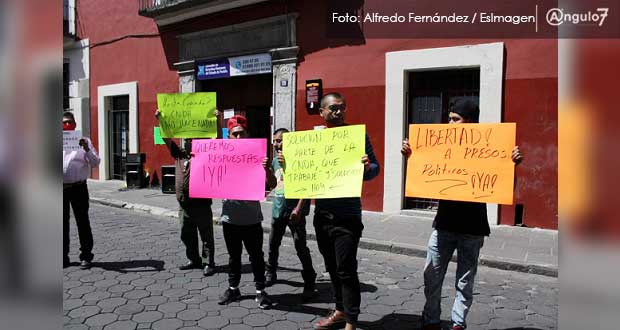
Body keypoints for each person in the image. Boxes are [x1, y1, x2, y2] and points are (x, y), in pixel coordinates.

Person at [401, 98, 523, 330]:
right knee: (431, 276)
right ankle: (431, 320)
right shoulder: (442, 146)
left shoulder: (488, 148)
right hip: (444, 224)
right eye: (449, 118)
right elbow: (424, 172)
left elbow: (505, 186)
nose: (449, 123)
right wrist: (411, 155)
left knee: (465, 281)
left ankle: (458, 323)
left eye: (455, 119)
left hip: (473, 228)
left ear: (469, 121)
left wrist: (512, 165)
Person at [286, 93, 379, 330]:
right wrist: (298, 205)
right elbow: (308, 177)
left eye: (342, 108)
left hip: (347, 216)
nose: (338, 112)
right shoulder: (315, 141)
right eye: (333, 108)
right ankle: (339, 310)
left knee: (346, 270)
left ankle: (351, 321)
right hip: (323, 216)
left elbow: (374, 170)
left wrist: (367, 167)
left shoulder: (356, 137)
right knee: (332, 268)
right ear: (322, 112)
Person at [218, 115, 277, 309]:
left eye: (241, 133)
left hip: (252, 219)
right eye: (234, 134)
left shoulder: (258, 156)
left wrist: (266, 169)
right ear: (229, 137)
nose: (237, 138)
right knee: (234, 257)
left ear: (247, 134)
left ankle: (261, 291)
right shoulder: (223, 156)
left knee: (256, 257)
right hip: (230, 218)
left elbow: (272, 184)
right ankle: (233, 289)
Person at [155, 109, 217, 276]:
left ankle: (208, 262)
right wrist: (160, 119)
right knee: (186, 234)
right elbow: (166, 138)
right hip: (184, 204)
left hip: (202, 204)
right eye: (187, 139)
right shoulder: (179, 154)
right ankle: (193, 259)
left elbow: (218, 144)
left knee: (206, 236)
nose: (190, 142)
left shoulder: (206, 154)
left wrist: (216, 121)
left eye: (193, 139)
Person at [264, 128, 317, 300]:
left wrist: (298, 209)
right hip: (278, 209)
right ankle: (271, 272)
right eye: (275, 140)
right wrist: (267, 170)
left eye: (281, 140)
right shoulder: (274, 161)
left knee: (300, 246)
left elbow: (308, 186)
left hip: (296, 213)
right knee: (273, 244)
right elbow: (273, 185)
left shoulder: (300, 159)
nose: (277, 144)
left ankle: (309, 280)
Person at [63, 111, 100, 269]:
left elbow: (95, 163)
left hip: (78, 187)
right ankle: (62, 257)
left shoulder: (85, 141)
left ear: (75, 125)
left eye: (69, 122)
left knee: (82, 222)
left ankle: (86, 255)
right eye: (64, 122)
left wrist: (87, 149)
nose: (66, 125)